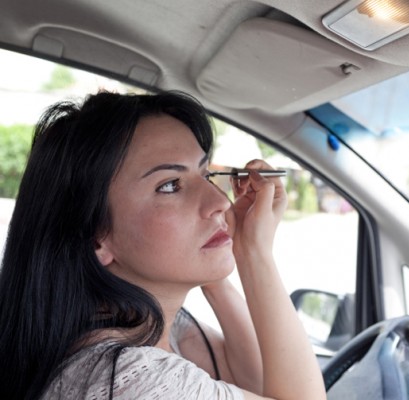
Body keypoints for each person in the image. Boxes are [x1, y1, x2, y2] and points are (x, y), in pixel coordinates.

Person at [0, 91, 326, 400]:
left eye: (206, 174)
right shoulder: (132, 378)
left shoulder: (141, 326)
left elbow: (254, 380)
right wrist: (256, 255)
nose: (219, 202)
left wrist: (228, 258)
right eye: (170, 185)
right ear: (97, 237)